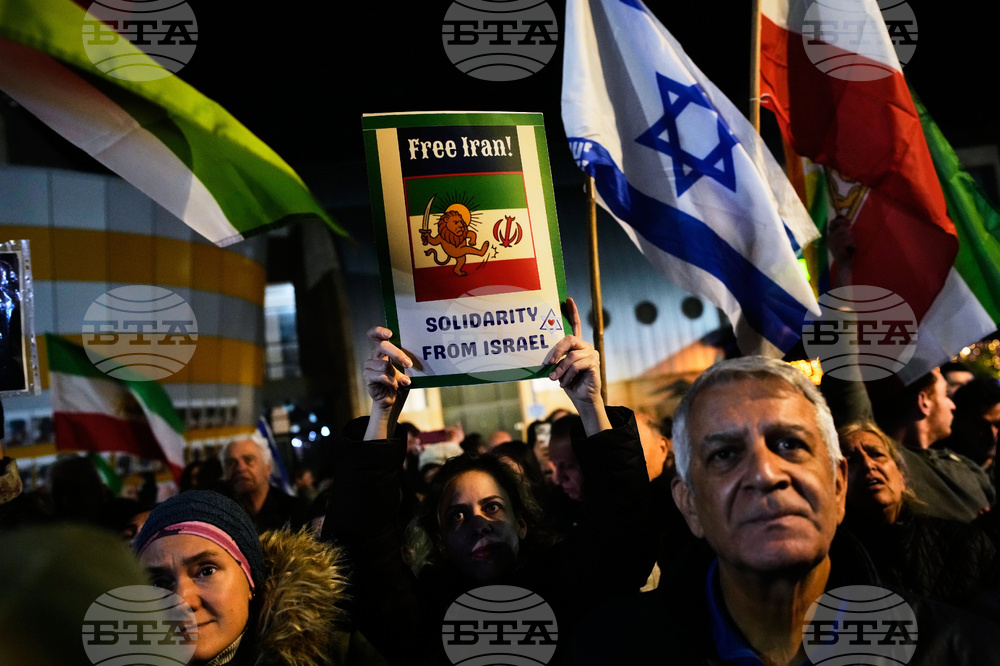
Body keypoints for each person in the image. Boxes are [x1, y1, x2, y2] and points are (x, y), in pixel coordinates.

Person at [568, 356, 1000, 665]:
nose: (765, 473)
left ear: (837, 484)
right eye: (725, 454)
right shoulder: (610, 650)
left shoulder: (962, 649)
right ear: (689, 504)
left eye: (790, 444)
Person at [323, 298, 653, 665]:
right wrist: (382, 414)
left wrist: (591, 405)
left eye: (492, 507)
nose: (479, 524)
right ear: (442, 543)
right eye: (457, 516)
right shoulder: (421, 617)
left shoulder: (569, 589)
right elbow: (360, 554)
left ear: (523, 523)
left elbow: (623, 533)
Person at [134, 489, 385, 665]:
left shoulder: (341, 654)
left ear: (251, 578)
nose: (181, 601)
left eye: (206, 570)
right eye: (159, 583)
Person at [838, 421, 1000, 619]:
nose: (868, 464)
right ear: (836, 484)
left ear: (901, 475)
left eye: (877, 454)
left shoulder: (968, 544)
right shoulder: (838, 564)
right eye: (851, 459)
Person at [873, 368, 994, 522]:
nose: (952, 405)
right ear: (924, 402)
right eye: (945, 395)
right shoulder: (888, 467)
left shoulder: (962, 465)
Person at [223, 433, 307, 532]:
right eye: (231, 463)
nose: (240, 468)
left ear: (268, 468)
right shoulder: (220, 514)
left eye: (248, 460)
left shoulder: (296, 512)